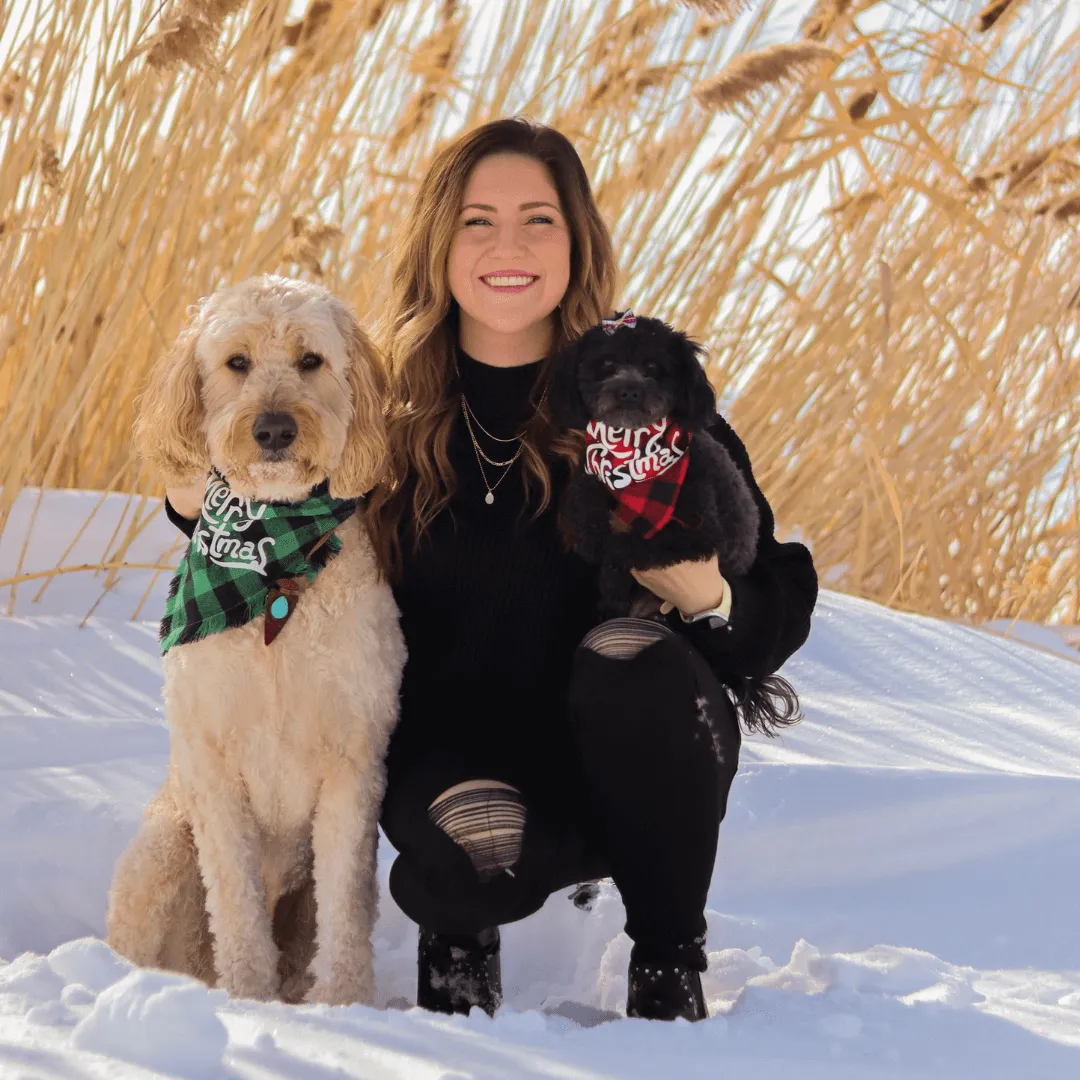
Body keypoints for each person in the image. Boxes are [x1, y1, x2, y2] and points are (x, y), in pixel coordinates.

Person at [163, 117, 817, 1023]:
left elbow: (778, 597)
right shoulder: (379, 412)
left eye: (538, 219)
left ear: (577, 241)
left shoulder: (640, 399)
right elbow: (274, 491)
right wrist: (187, 499)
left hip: (623, 763)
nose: (508, 245)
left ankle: (667, 966)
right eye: (478, 220)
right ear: (441, 244)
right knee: (460, 841)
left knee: (629, 654)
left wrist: (706, 593)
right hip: (456, 774)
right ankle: (458, 988)